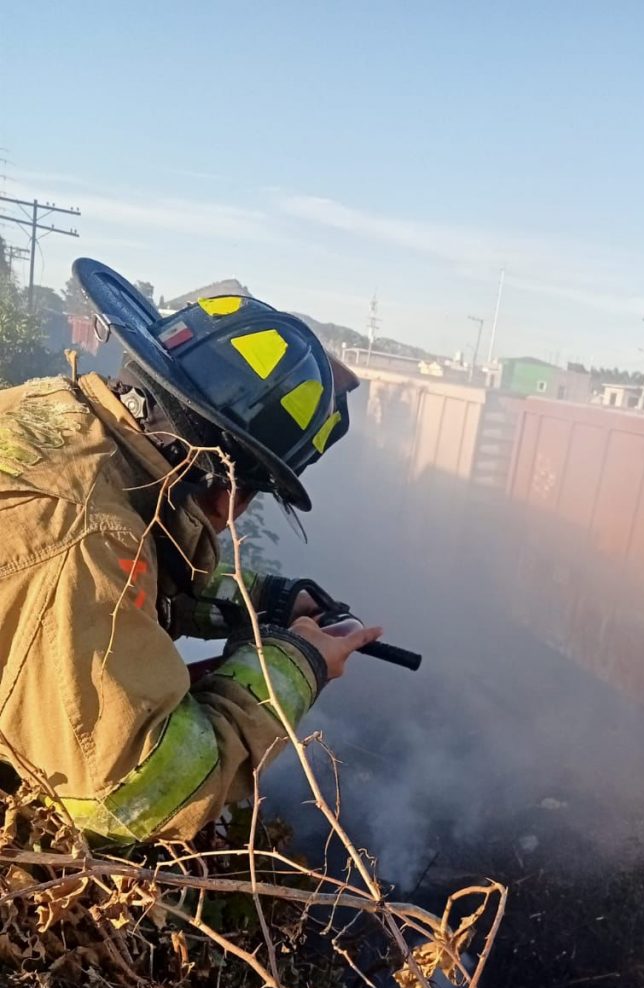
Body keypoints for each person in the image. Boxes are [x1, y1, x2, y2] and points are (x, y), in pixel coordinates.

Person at [0, 258, 382, 843]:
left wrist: (262, 601)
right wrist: (294, 666)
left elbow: (124, 575)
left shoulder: (52, 411)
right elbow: (135, 796)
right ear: (229, 491)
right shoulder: (88, 537)